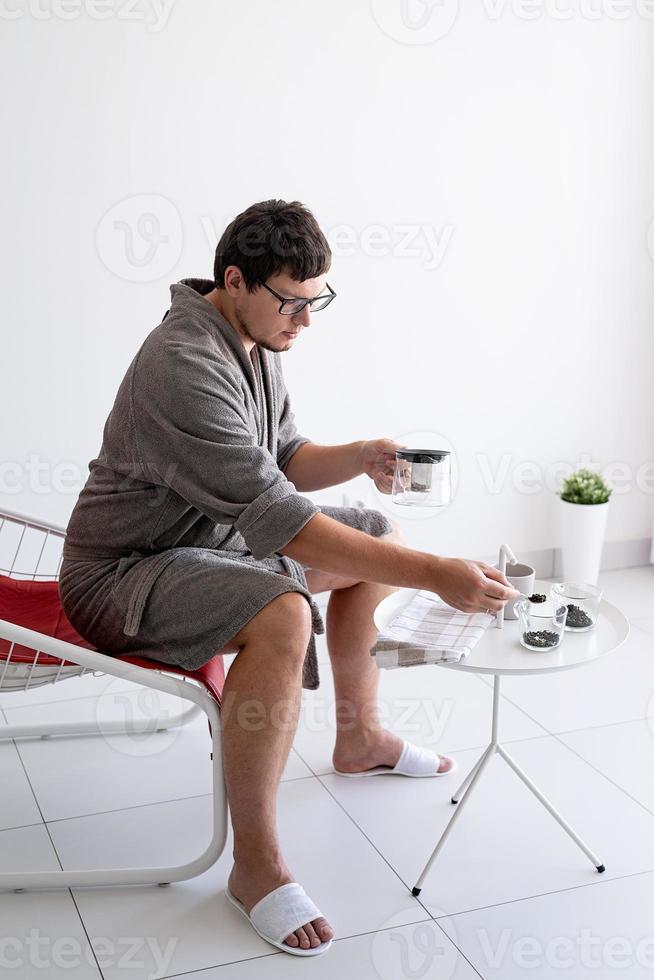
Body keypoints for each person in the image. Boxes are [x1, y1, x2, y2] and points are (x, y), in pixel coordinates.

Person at [59, 199, 519, 957]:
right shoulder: (182, 363)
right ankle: (256, 867)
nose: (304, 322)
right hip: (121, 577)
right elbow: (279, 517)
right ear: (234, 280)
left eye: (316, 303)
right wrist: (437, 573)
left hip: (208, 549)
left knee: (374, 531)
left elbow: (284, 455)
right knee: (282, 609)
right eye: (292, 304)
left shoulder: (254, 338)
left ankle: (360, 736)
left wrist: (361, 455)